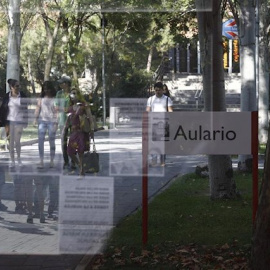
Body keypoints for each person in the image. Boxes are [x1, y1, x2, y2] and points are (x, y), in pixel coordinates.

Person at [63, 89, 94, 176]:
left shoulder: (84, 106)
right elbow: (68, 120)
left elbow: (90, 118)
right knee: (70, 151)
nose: (73, 96)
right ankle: (81, 166)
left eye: (75, 93)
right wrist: (64, 129)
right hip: (73, 132)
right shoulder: (70, 108)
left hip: (82, 132)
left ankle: (81, 172)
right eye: (72, 94)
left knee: (80, 152)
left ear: (79, 95)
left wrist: (92, 129)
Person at [0, 79, 28, 167]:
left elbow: (25, 109)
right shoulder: (6, 97)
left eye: (19, 86)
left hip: (19, 121)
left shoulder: (22, 95)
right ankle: (12, 161)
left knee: (17, 141)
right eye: (16, 86)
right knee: (10, 142)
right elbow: (3, 109)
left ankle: (19, 159)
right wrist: (2, 121)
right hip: (9, 121)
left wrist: (25, 121)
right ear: (11, 87)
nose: (18, 87)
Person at [146, 81, 173, 166]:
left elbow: (170, 111)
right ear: (154, 90)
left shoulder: (167, 99)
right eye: (156, 90)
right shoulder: (150, 99)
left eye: (159, 90)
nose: (158, 91)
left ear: (163, 90)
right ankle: (153, 160)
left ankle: (162, 161)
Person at [34, 81, 58, 168]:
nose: (47, 91)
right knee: (40, 141)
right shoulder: (41, 98)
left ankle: (52, 160)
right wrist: (35, 119)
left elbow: (56, 112)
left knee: (52, 141)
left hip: (52, 122)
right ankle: (41, 161)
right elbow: (38, 108)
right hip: (42, 121)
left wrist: (56, 123)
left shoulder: (54, 99)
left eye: (48, 89)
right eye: (45, 89)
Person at [55, 75, 72, 169]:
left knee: (74, 142)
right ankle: (66, 161)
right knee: (63, 142)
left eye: (62, 83)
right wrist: (67, 109)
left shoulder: (73, 93)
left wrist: (68, 109)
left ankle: (74, 161)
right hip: (63, 121)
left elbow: (77, 106)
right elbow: (56, 107)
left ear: (66, 84)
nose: (60, 84)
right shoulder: (59, 94)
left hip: (74, 121)